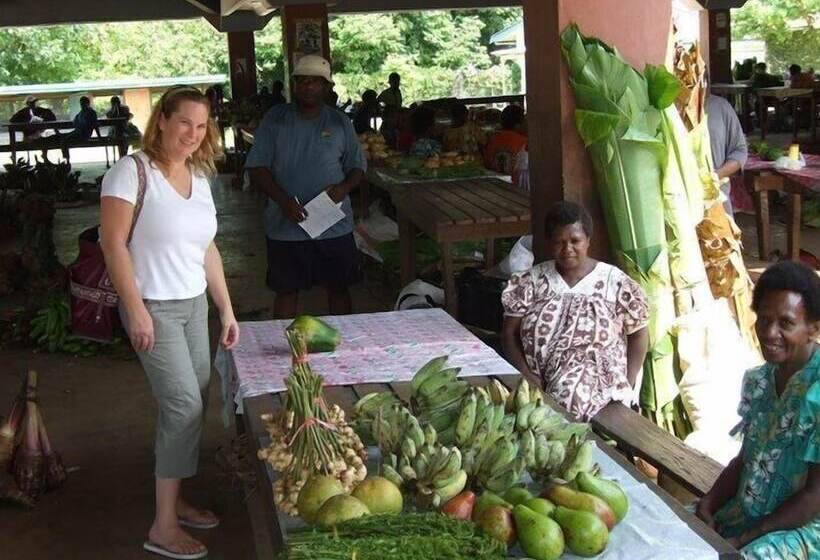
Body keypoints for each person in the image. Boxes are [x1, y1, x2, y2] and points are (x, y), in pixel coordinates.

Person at [99, 86, 239, 560]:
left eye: (201, 126)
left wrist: (225, 308)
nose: (192, 134)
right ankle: (162, 526)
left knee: (192, 400)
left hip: (193, 304)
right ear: (161, 119)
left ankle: (175, 499)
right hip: (153, 306)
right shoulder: (130, 172)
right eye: (184, 122)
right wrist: (135, 308)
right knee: (183, 406)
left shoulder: (198, 175)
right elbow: (113, 244)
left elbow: (207, 248)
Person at [696, 261, 819, 559]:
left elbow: (815, 496)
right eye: (764, 320)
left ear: (813, 328)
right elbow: (745, 460)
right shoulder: (759, 381)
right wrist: (708, 503)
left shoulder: (816, 393)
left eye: (786, 323)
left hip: (803, 527)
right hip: (748, 512)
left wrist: (744, 538)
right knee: (679, 529)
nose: (770, 332)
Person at [501, 202, 650, 420]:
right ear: (549, 243)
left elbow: (639, 334)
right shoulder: (531, 282)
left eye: (575, 241)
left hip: (604, 391)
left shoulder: (615, 283)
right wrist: (526, 374)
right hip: (540, 386)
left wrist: (627, 380)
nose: (567, 249)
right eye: (559, 242)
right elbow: (508, 333)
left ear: (588, 240)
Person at [245, 55, 366, 320]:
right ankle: (284, 344)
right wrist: (283, 201)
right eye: (302, 81)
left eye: (315, 81)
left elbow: (357, 167)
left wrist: (343, 188)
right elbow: (257, 167)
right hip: (285, 227)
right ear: (294, 85)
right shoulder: (275, 119)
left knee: (339, 288)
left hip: (333, 226)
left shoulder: (339, 122)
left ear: (327, 87)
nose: (308, 86)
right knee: (286, 291)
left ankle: (345, 342)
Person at [706, 91, 748, 216]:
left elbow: (739, 151)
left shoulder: (720, 106)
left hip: (717, 200)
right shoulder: (666, 109)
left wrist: (715, 176)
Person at [484, 104, 527, 174]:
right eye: (524, 121)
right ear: (517, 125)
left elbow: (487, 163)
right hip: (515, 179)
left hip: (495, 179)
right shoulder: (524, 142)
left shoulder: (492, 139)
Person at [61, 96, 99, 162]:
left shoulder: (91, 113)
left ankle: (67, 160)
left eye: (83, 104)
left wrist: (99, 137)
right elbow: (75, 122)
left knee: (65, 140)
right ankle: (66, 158)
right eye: (81, 104)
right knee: (61, 137)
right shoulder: (81, 113)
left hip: (84, 135)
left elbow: (95, 125)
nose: (82, 106)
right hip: (78, 132)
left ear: (88, 104)